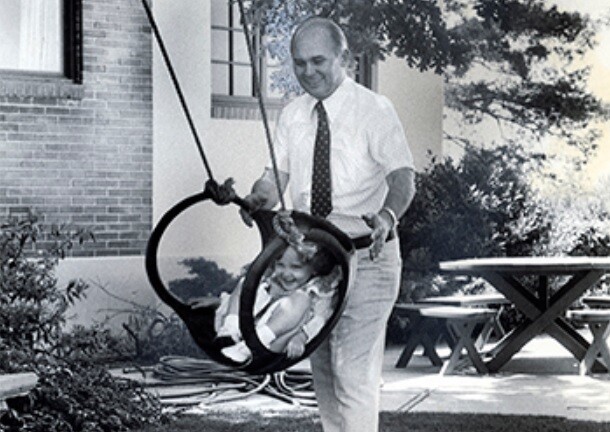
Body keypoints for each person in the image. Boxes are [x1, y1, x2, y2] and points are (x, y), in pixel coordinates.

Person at [240, 16, 416, 432]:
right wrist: (256, 197)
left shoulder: (374, 110)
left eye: (318, 61)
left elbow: (403, 178)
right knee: (325, 372)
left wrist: (387, 217)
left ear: (345, 59)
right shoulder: (293, 115)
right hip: (315, 261)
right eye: (299, 63)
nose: (308, 72)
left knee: (351, 369)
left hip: (366, 257)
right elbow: (274, 178)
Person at [215, 242, 342, 362]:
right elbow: (238, 298)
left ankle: (251, 346)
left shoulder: (316, 290)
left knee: (301, 298)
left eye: (296, 267)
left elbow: (320, 318)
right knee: (246, 283)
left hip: (272, 341)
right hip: (245, 327)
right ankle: (229, 331)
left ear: (314, 268)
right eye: (280, 265)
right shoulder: (270, 280)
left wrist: (301, 337)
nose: (286, 273)